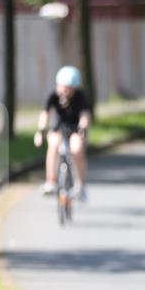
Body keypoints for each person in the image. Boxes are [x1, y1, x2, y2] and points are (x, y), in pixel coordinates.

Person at [34, 65, 92, 201]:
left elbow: (85, 115)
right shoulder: (52, 95)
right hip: (58, 127)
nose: (66, 91)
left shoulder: (80, 96)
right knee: (53, 145)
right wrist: (41, 131)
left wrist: (83, 128)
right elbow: (45, 115)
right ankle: (51, 181)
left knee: (76, 149)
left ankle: (81, 185)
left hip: (76, 128)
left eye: (70, 88)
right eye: (64, 87)